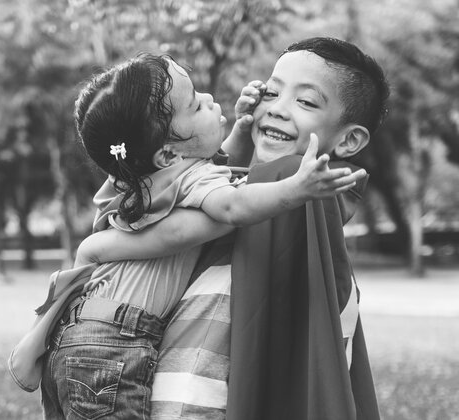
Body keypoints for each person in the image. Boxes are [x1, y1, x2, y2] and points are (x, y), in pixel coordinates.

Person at [21, 52, 364, 420]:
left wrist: (238, 131)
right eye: (195, 104)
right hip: (115, 342)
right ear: (168, 153)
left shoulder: (137, 174)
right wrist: (295, 189)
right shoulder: (193, 179)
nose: (210, 100)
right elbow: (231, 204)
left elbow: (213, 170)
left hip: (76, 335)